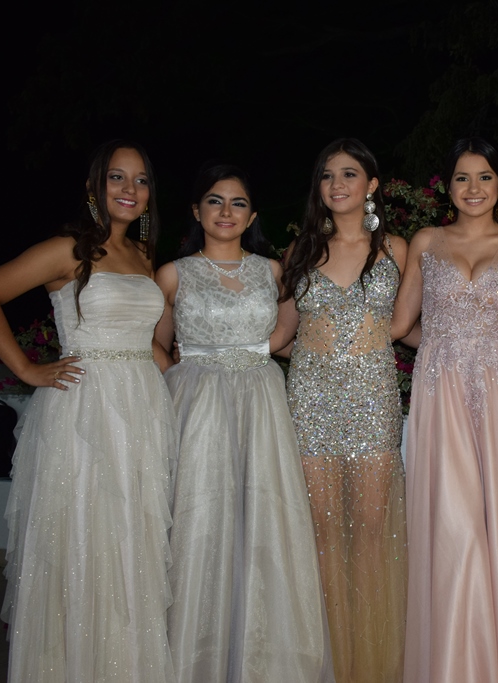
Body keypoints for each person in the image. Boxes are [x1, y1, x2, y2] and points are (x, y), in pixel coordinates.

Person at [0, 140, 177, 682]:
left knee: (136, 540)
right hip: (86, 410)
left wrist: (193, 387)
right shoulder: (68, 250)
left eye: (141, 180)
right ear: (93, 189)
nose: (130, 190)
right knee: (85, 540)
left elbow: (145, 342)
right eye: (117, 179)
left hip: (143, 409)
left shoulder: (144, 257)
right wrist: (28, 370)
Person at [153, 164, 333, 682]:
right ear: (196, 211)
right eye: (214, 201)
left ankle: (262, 655)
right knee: (199, 520)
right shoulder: (174, 273)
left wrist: (253, 356)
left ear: (251, 215)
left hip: (260, 402)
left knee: (263, 520)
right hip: (198, 407)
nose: (225, 212)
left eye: (236, 203)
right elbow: (152, 341)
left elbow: (282, 335)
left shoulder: (273, 271)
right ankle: (193, 652)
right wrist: (187, 376)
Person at [394, 137, 498, 683]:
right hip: (440, 393)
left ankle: (495, 657)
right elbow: (399, 325)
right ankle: (455, 663)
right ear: (448, 186)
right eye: (462, 177)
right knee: (454, 523)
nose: (474, 188)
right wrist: (443, 346)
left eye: (485, 177)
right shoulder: (427, 241)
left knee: (495, 518)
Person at [278, 139, 408, 683]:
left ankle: (375, 663)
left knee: (373, 533)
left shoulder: (398, 250)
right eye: (327, 175)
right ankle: (329, 664)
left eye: (349, 174)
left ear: (372, 185)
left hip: (374, 398)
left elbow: (410, 325)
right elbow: (281, 337)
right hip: (311, 399)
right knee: (323, 534)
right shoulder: (299, 253)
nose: (336, 185)